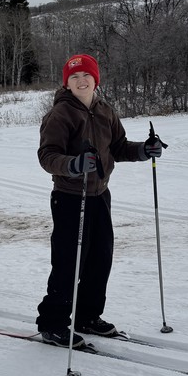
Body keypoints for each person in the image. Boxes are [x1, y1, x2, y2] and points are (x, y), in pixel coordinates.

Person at [35, 53, 165, 347]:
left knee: (100, 260)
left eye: (86, 76)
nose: (81, 82)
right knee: (70, 263)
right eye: (74, 78)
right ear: (67, 84)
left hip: (99, 195)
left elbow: (117, 146)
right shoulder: (60, 114)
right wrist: (73, 164)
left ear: (96, 80)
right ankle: (53, 323)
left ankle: (87, 316)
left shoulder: (105, 110)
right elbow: (47, 156)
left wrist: (144, 150)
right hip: (70, 197)